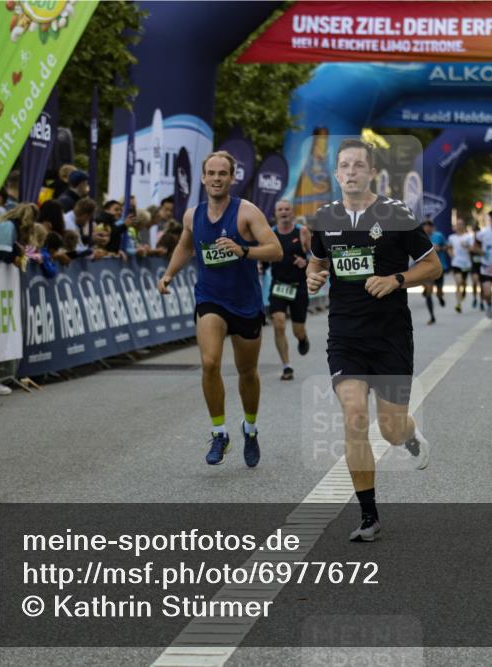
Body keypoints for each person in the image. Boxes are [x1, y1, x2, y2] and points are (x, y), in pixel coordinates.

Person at [305, 138, 441, 542]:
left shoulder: (396, 214)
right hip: (345, 336)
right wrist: (312, 277)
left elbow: (433, 266)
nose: (350, 172)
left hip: (391, 335)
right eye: (344, 166)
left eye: (358, 166)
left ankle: (409, 436)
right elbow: (316, 263)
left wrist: (397, 279)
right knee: (353, 417)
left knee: (391, 428)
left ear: (371, 173)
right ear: (336, 174)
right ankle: (369, 516)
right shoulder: (323, 219)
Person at [158, 151, 282, 467]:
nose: (216, 178)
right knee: (210, 362)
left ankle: (250, 429)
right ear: (203, 178)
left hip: (246, 303)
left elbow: (276, 250)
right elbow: (186, 246)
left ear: (231, 178)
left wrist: (243, 250)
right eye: (211, 173)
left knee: (247, 372)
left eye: (222, 173)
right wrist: (169, 273)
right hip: (210, 298)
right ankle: (219, 433)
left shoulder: (247, 213)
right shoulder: (192, 216)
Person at [268, 202, 311, 381]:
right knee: (278, 323)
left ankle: (302, 338)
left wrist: (306, 262)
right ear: (275, 213)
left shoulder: (302, 232)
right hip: (279, 285)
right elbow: (264, 255)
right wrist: (260, 266)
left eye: (287, 209)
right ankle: (287, 366)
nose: (284, 212)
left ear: (292, 213)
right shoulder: (270, 234)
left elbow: (316, 256)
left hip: (298, 287)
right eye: (280, 210)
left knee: (297, 330)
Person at [421, 218, 447, 324]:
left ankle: (440, 297)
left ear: (432, 228)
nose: (427, 229)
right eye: (425, 227)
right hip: (426, 269)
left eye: (429, 227)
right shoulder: (420, 237)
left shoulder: (439, 236)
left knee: (439, 291)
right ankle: (432, 316)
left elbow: (446, 246)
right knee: (428, 291)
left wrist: (439, 248)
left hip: (439, 267)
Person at [447, 217, 473, 313]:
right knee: (458, 282)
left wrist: (466, 246)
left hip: (466, 263)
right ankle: (458, 304)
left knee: (463, 282)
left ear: (464, 226)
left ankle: (465, 288)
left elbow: (472, 249)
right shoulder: (451, 237)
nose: (459, 226)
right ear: (455, 226)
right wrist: (451, 254)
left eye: (461, 224)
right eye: (457, 224)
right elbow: (449, 248)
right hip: (456, 263)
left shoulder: (468, 237)